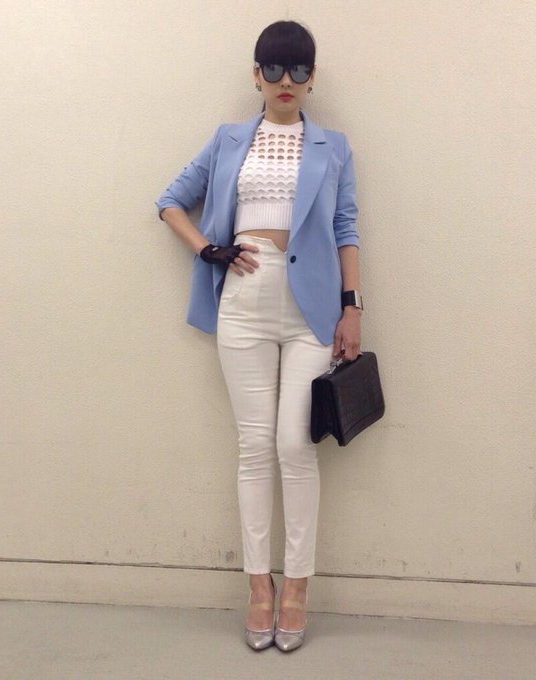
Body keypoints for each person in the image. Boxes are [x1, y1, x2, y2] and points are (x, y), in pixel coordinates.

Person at [155, 20, 362, 652]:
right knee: (253, 448)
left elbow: (346, 226)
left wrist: (352, 308)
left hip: (311, 310)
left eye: (298, 70)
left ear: (312, 78)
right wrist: (208, 249)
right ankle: (258, 587)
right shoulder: (227, 139)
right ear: (256, 75)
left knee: (294, 446)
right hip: (244, 303)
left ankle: (296, 586)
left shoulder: (333, 146)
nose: (285, 81)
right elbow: (170, 201)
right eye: (273, 69)